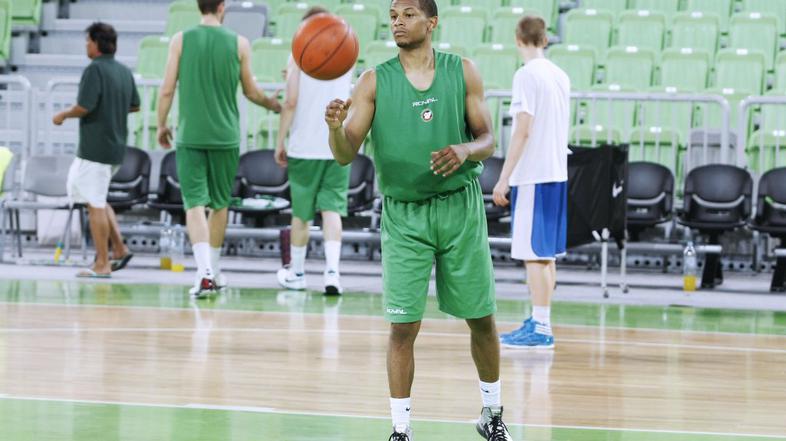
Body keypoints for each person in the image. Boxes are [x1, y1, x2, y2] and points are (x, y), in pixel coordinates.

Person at [325, 1, 512, 439]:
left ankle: (492, 413)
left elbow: (488, 139)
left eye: (408, 14)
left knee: (481, 319)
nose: (398, 21)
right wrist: (335, 127)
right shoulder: (374, 81)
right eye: (393, 15)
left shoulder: (462, 71)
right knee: (402, 327)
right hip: (405, 214)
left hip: (459, 208)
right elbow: (344, 154)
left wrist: (466, 150)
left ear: (431, 22)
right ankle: (401, 428)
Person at [157, 0, 281, 298]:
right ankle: (212, 269)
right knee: (219, 204)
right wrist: (273, 104)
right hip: (225, 136)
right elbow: (251, 91)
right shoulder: (240, 43)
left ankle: (204, 273)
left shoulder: (180, 40)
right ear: (222, 7)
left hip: (190, 135)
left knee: (194, 204)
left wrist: (161, 124)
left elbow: (167, 88)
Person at [492, 15, 570, 349]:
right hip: (557, 171)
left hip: (534, 174)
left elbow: (523, 130)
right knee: (546, 254)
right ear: (545, 39)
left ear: (517, 39)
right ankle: (541, 320)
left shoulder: (526, 75)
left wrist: (504, 178)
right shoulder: (560, 75)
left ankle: (540, 328)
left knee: (533, 255)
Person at [275, 6, 354, 295]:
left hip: (304, 146)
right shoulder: (345, 51)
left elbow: (291, 101)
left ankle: (297, 273)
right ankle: (332, 273)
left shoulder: (298, 53)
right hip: (336, 143)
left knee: (301, 214)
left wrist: (279, 141)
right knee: (332, 210)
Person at [53, 22, 138, 278]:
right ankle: (119, 249)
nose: (86, 46)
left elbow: (84, 106)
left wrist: (63, 115)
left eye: (88, 41)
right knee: (95, 197)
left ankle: (102, 263)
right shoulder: (124, 71)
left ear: (97, 43)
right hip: (115, 147)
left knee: (95, 204)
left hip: (95, 149)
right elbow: (134, 105)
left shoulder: (94, 70)